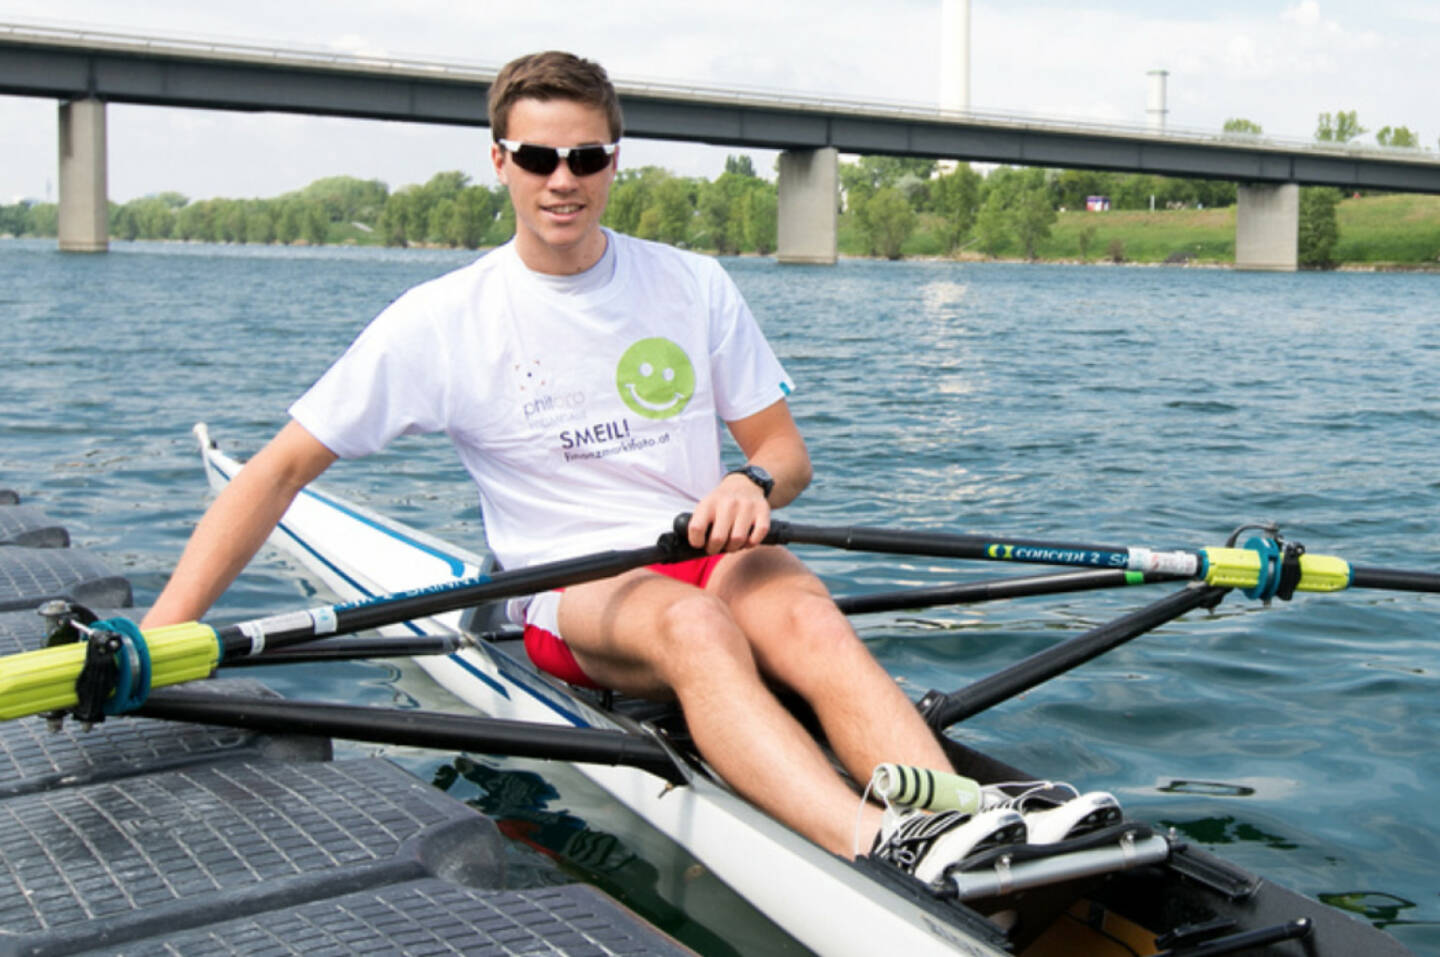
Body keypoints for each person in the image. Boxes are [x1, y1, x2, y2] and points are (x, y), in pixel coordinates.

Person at [141, 50, 1030, 870]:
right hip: (573, 592)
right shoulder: (441, 319)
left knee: (804, 606)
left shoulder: (691, 281)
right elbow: (279, 470)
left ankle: (963, 821)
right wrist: (164, 635)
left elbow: (783, 452)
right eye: (537, 159)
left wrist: (749, 480)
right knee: (696, 631)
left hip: (707, 552)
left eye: (586, 158)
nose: (562, 181)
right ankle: (879, 846)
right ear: (500, 162)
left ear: (615, 160)